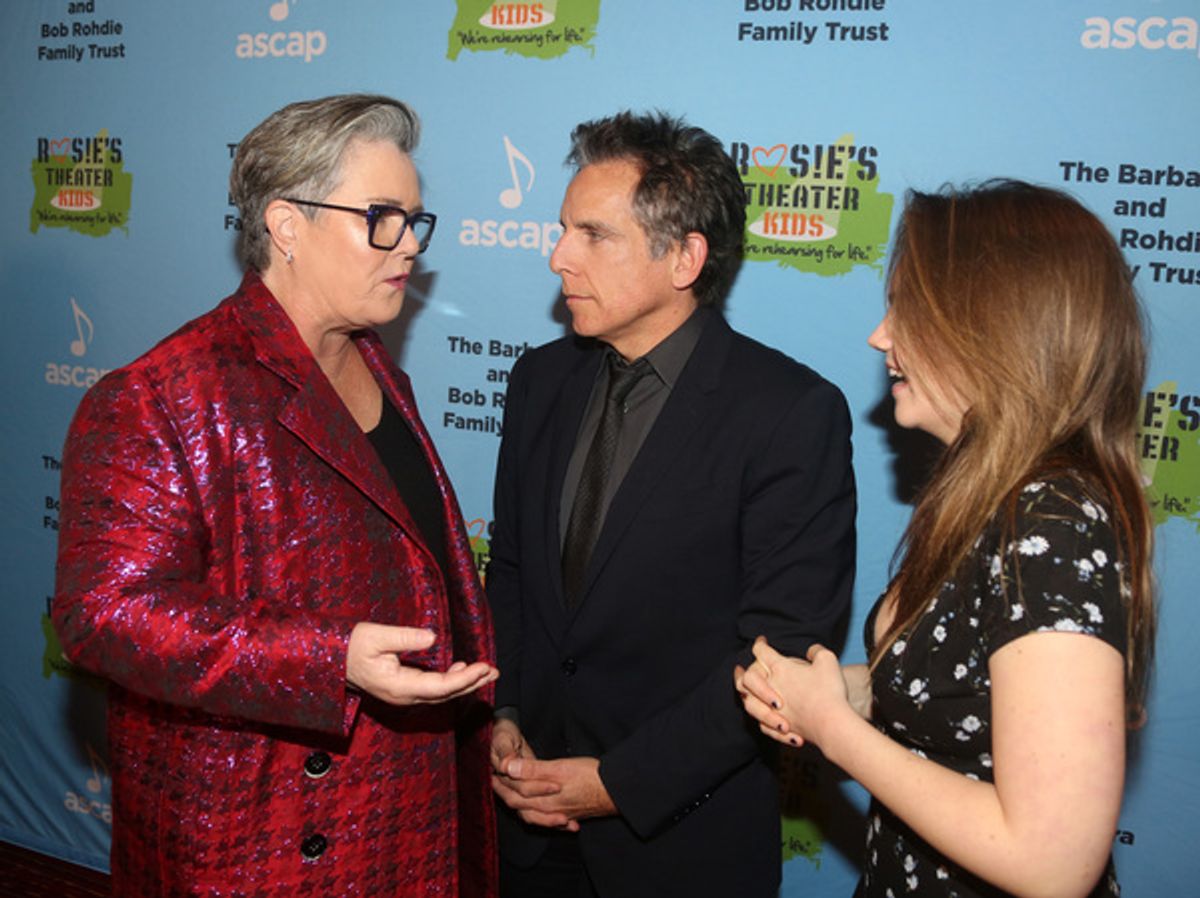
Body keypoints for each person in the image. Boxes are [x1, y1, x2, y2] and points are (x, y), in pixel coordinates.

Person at [53, 94, 499, 896]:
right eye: (381, 217)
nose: (409, 248)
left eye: (415, 221)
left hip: (404, 811)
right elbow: (104, 613)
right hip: (264, 841)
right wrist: (330, 658)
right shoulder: (161, 395)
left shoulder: (382, 373)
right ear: (286, 225)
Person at [738, 180, 1156, 898]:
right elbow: (964, 699)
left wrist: (834, 728)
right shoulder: (994, 496)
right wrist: (833, 691)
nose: (880, 336)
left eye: (905, 306)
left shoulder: (1051, 523)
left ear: (991, 324)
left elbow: (1051, 864)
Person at [485, 110, 856, 898]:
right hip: (526, 835)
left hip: (682, 849)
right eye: (562, 230)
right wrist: (505, 706)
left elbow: (780, 656)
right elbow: (512, 567)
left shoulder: (789, 412)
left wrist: (620, 782)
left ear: (685, 257)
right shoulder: (538, 382)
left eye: (594, 235)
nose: (558, 258)